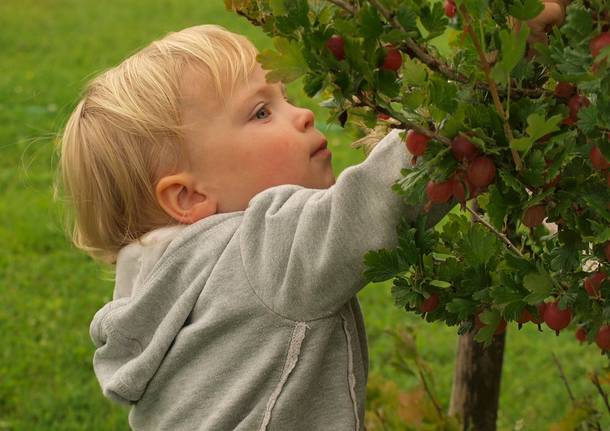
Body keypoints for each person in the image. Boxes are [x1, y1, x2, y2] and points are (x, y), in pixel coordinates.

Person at [58, 24, 447, 430]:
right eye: (261, 112)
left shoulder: (155, 292)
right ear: (188, 198)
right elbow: (380, 201)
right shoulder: (259, 253)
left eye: (286, 99)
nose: (304, 115)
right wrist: (462, 106)